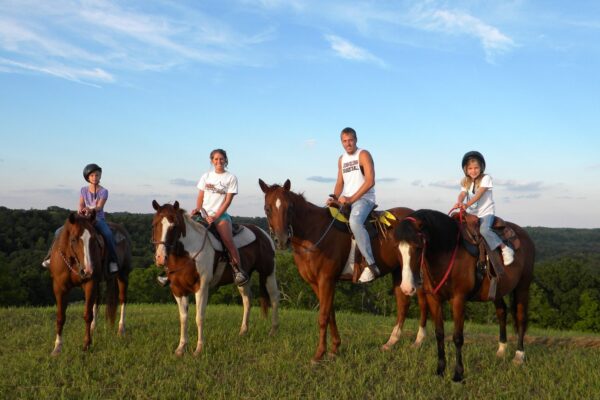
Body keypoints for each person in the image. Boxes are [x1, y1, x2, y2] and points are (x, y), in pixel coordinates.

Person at [157, 149, 249, 287]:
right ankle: (169, 271)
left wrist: (216, 216)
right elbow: (200, 196)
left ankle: (237, 271)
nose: (219, 161)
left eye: (221, 159)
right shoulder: (206, 176)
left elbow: (227, 201)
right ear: (212, 161)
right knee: (179, 235)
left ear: (226, 160)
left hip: (220, 216)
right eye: (216, 159)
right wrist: (199, 209)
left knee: (228, 241)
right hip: (203, 214)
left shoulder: (231, 178)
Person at [42, 163, 119, 275]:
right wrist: (81, 210)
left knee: (107, 234)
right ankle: (50, 257)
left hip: (97, 218)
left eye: (97, 175)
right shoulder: (83, 190)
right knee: (58, 231)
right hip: (83, 218)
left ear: (100, 176)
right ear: (88, 177)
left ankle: (113, 261)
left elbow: (99, 207)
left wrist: (90, 209)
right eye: (92, 175)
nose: (95, 177)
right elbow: (81, 204)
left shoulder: (104, 191)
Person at [327, 127, 379, 283]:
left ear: (356, 140)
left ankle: (371, 265)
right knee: (326, 218)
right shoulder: (341, 159)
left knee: (355, 222)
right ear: (341, 142)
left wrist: (351, 199)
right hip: (347, 199)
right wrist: (334, 197)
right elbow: (340, 182)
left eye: (350, 140)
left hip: (364, 199)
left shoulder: (363, 154)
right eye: (344, 141)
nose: (347, 144)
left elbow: (370, 181)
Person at [453, 151, 514, 265]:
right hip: (472, 214)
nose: (473, 171)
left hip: (486, 212)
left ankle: (505, 248)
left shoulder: (486, 178)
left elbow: (479, 193)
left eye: (476, 167)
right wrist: (459, 202)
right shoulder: (465, 181)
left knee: (484, 230)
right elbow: (462, 193)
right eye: (470, 168)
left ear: (481, 167)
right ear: (465, 169)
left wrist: (466, 204)